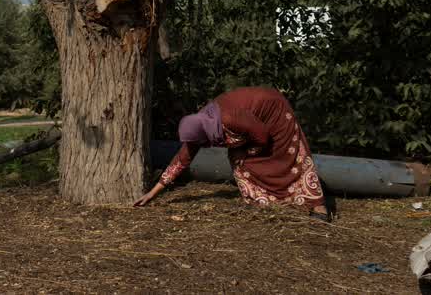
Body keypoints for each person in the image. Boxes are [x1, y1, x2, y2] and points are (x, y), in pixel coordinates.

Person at [134, 86, 331, 222]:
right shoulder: (202, 125)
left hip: (274, 113)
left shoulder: (228, 119)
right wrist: (153, 193)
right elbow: (182, 159)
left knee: (292, 157)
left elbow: (261, 136)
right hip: (256, 127)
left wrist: (247, 152)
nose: (200, 145)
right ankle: (264, 202)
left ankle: (318, 206)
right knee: (239, 160)